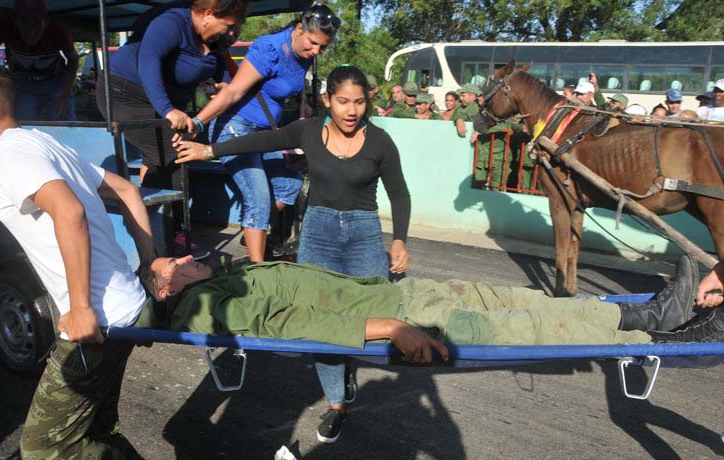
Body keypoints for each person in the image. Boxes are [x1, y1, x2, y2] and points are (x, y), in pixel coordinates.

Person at [175, 65, 411, 444]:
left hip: (365, 232)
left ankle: (347, 364)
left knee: (374, 312)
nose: (352, 111)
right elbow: (262, 141)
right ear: (328, 100)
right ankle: (337, 403)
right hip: (317, 233)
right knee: (317, 321)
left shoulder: (380, 141)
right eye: (344, 102)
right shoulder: (308, 130)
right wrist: (209, 149)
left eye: (360, 102)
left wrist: (399, 239)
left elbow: (399, 193)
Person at [0, 57, 155, 458]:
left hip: (99, 323)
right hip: (127, 309)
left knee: (42, 449)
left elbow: (69, 211)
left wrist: (79, 308)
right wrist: (149, 263)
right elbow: (128, 190)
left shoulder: (7, 154)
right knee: (95, 429)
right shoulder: (39, 141)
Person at [137, 254, 721, 356]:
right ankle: (656, 332)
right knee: (530, 327)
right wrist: (392, 326)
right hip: (407, 313)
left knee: (523, 297)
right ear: (167, 290)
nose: (183, 257)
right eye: (172, 264)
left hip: (402, 292)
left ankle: (651, 312)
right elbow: (298, 322)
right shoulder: (205, 307)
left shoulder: (229, 274)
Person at [178, 3, 340, 263]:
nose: (316, 51)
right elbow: (233, 91)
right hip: (236, 128)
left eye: (323, 47)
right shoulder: (271, 48)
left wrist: (303, 105)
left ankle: (254, 228)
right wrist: (198, 122)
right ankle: (258, 270)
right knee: (259, 199)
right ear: (298, 28)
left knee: (289, 185)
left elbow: (280, 88)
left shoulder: (305, 55)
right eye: (312, 43)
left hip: (267, 131)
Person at [98, 0, 247, 260]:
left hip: (162, 103)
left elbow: (221, 69)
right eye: (229, 26)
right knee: (175, 151)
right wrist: (167, 109)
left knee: (166, 156)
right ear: (209, 15)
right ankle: (174, 236)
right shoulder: (173, 22)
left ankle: (148, 230)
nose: (231, 33)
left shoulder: (213, 40)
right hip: (124, 92)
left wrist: (224, 84)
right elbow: (148, 59)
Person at [0, 0, 78, 121]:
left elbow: (73, 60)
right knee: (25, 123)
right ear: (15, 20)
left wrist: (66, 93)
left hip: (56, 83)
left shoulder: (58, 31)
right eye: (24, 22)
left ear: (45, 22)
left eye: (36, 24)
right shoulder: (4, 27)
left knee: (65, 121)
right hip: (24, 84)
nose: (30, 31)